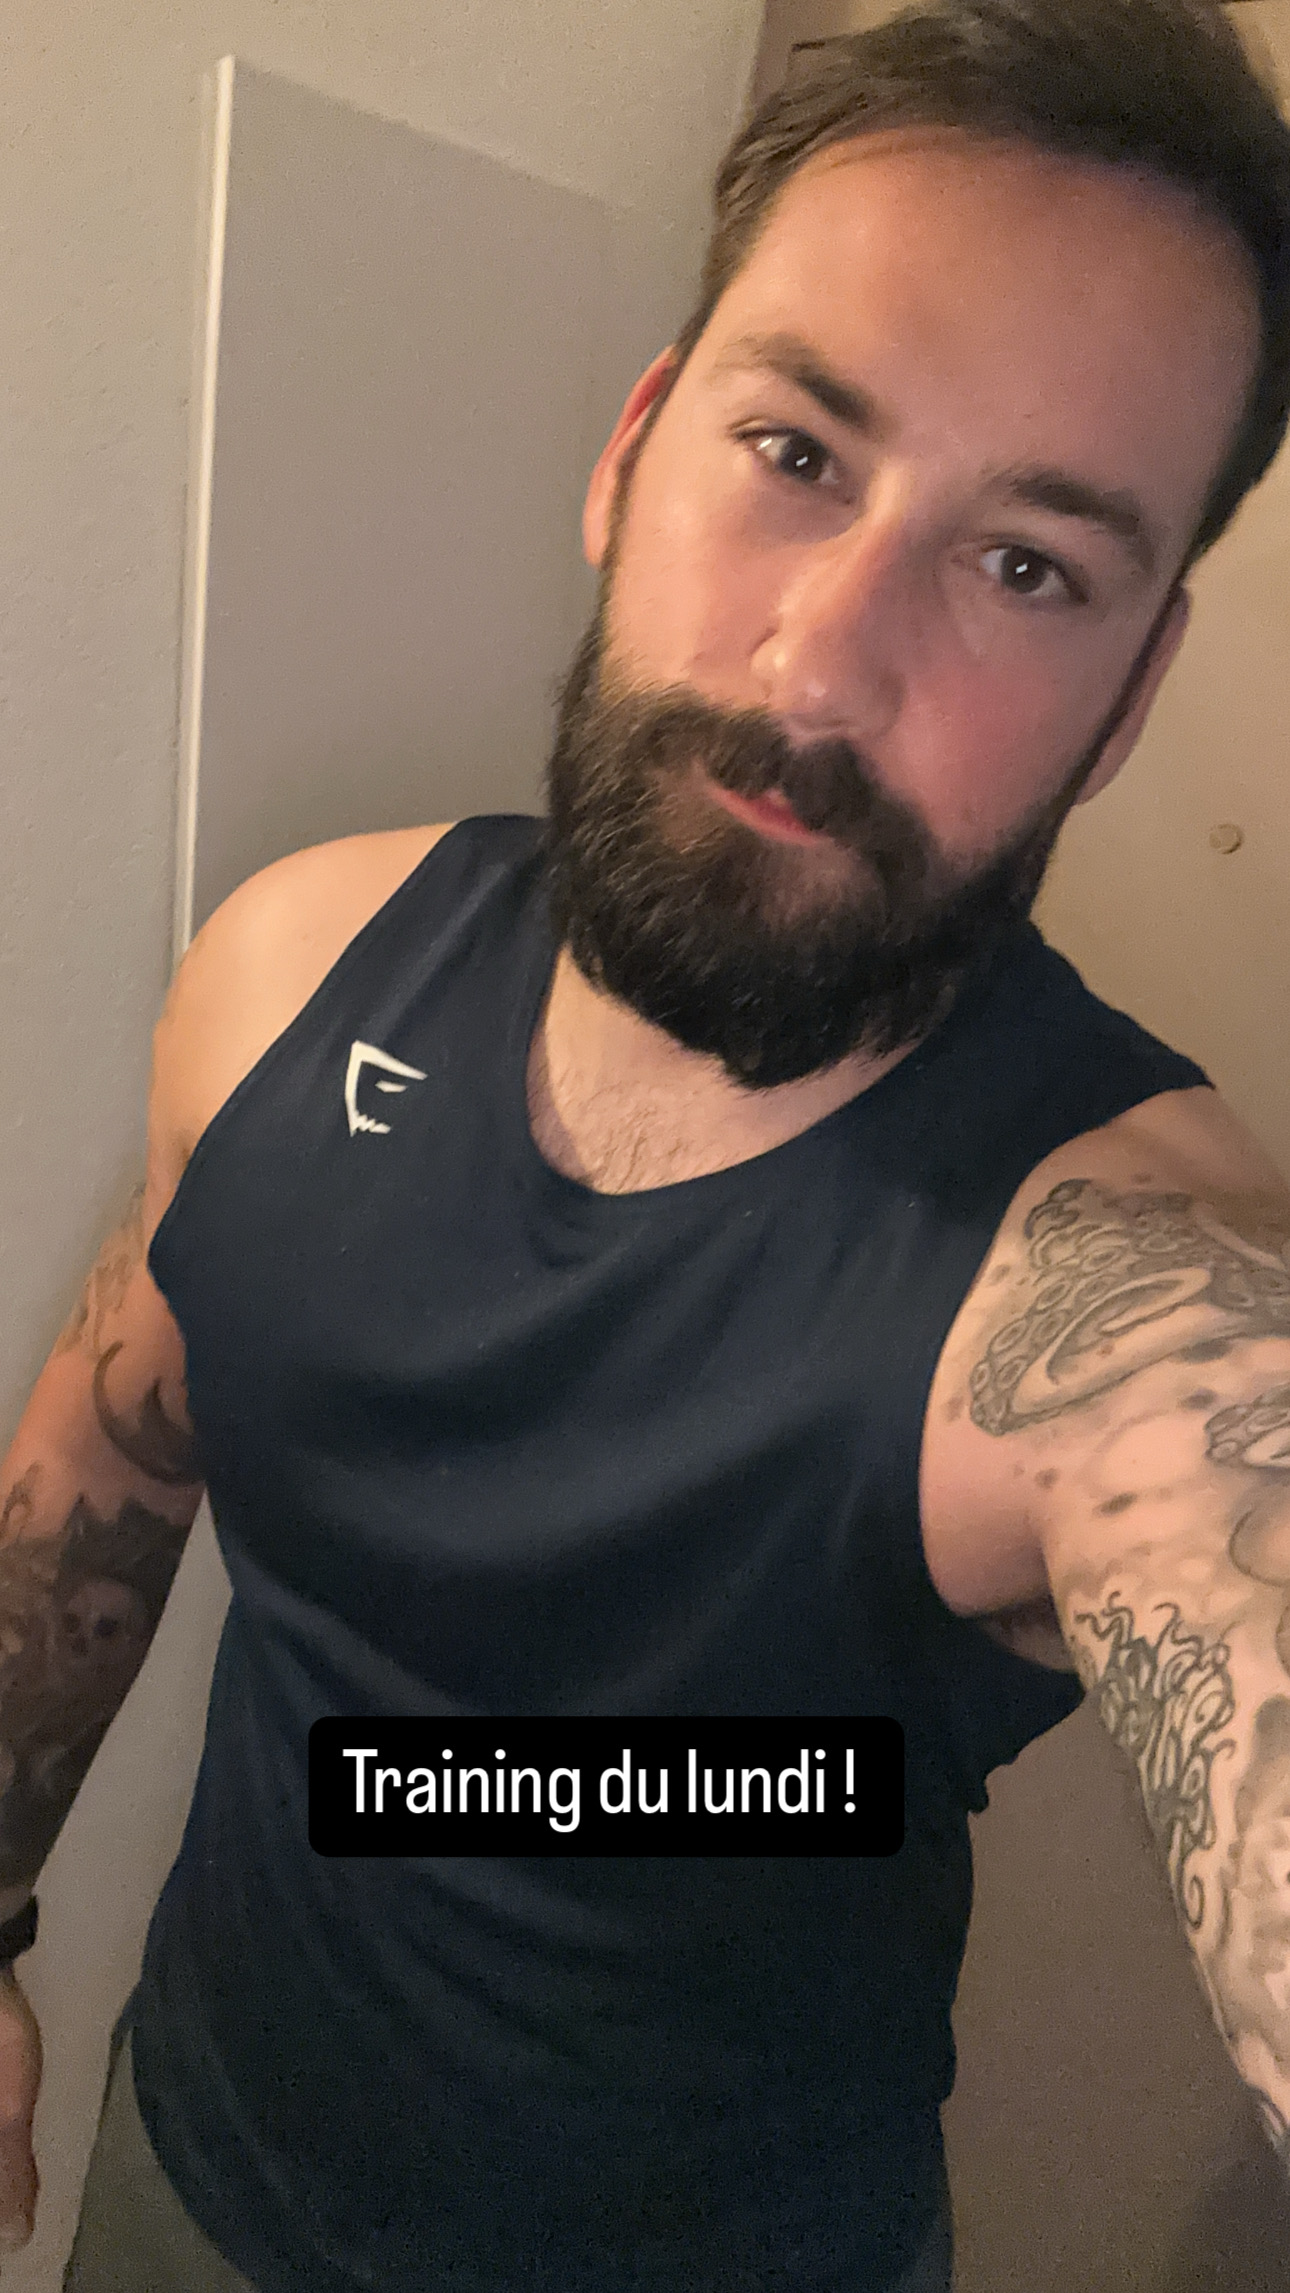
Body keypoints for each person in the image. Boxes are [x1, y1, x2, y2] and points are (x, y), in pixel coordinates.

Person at [1, 0, 1289, 2284]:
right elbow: (105, 1462)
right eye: (796, 448)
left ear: (1128, 700)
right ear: (632, 448)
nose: (823, 662)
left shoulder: (1121, 1291)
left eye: (1026, 567)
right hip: (183, 2185)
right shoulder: (290, 974)